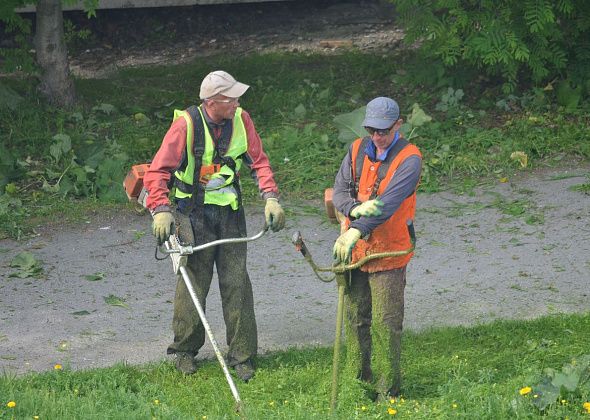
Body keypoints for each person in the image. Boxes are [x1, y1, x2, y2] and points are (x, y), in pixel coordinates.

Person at [143, 70, 285, 381]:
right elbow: (156, 172)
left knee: (237, 284)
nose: (237, 102)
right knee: (193, 283)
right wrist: (161, 210)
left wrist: (271, 197)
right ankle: (184, 351)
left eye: (236, 98)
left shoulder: (242, 120)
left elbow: (258, 161)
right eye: (230, 99)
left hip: (230, 214)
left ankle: (243, 356)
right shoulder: (186, 125)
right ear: (211, 103)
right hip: (191, 215)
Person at [331, 96, 422, 399]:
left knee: (386, 324)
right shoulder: (356, 150)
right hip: (355, 253)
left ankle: (389, 390)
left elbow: (387, 205)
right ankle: (359, 381)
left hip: (389, 252)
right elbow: (339, 192)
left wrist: (355, 229)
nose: (376, 136)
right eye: (371, 129)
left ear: (398, 124)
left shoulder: (410, 159)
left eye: (383, 130)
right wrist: (355, 209)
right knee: (356, 319)